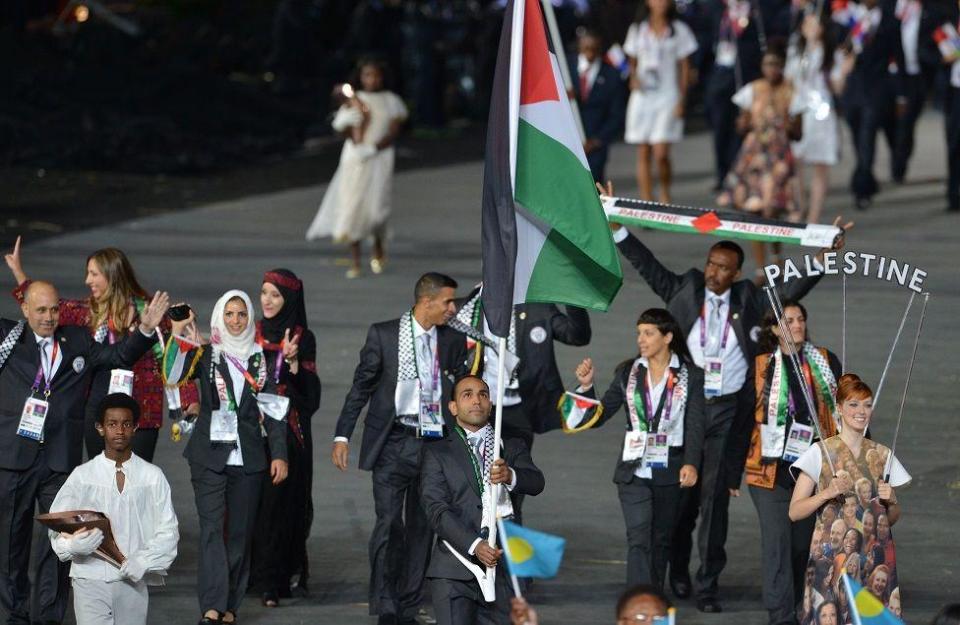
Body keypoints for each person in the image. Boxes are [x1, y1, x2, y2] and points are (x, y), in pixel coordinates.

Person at [608, 210, 844, 612]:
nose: (713, 271)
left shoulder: (750, 299)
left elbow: (791, 291)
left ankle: (707, 585)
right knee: (681, 501)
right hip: (683, 411)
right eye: (710, 264)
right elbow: (647, 266)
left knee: (716, 505)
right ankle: (678, 572)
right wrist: (616, 223)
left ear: (736, 273)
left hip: (728, 415)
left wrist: (824, 255)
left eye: (722, 268)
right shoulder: (684, 289)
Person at [0, 280, 168, 625]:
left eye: (54, 309)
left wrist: (146, 329)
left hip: (59, 460)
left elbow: (117, 356)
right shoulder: (8, 340)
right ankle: (15, 615)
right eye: (41, 310)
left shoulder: (75, 340)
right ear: (25, 310)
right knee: (9, 546)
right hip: (14, 457)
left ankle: (48, 618)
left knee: (59, 545)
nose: (49, 317)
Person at [331, 272, 467, 625]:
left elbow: (460, 388)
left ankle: (408, 604)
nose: (453, 308)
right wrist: (342, 435)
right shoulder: (384, 335)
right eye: (448, 301)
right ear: (426, 302)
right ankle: (386, 604)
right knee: (389, 524)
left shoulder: (451, 341)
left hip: (433, 444)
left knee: (424, 526)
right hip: (393, 441)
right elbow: (361, 387)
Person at [5, 238, 199, 462]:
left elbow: (172, 358)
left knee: (138, 481)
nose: (87, 280)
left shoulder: (150, 313)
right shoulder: (85, 313)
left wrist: (190, 401)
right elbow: (42, 305)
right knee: (103, 479)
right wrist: (19, 273)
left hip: (142, 413)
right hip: (98, 413)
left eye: (94, 274)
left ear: (112, 275)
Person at [163, 290, 289, 625]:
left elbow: (274, 411)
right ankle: (213, 606)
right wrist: (179, 334)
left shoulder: (261, 360)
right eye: (230, 314)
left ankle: (231, 603)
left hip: (248, 458)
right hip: (208, 456)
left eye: (242, 314)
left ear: (250, 319)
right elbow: (173, 374)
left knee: (240, 534)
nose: (235, 320)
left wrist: (279, 454)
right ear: (220, 315)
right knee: (211, 530)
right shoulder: (206, 354)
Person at [568, 308, 705, 590]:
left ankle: (651, 599)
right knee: (639, 535)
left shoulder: (691, 375)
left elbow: (695, 423)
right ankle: (638, 601)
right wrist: (586, 387)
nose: (641, 339)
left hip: (671, 468)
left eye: (648, 333)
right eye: (639, 333)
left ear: (667, 337)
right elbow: (600, 416)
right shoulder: (627, 371)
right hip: (633, 470)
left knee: (661, 539)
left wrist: (691, 462)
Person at [450, 282, 590, 522]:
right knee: (470, 483)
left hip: (519, 412)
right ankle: (472, 545)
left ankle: (508, 550)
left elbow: (577, 336)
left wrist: (571, 293)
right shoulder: (468, 309)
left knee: (513, 484)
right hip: (477, 411)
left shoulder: (538, 307)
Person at [744, 300, 841, 625]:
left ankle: (803, 607)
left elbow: (849, 410)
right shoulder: (760, 367)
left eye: (801, 319)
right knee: (777, 543)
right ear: (774, 329)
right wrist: (729, 475)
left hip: (813, 469)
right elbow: (741, 420)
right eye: (789, 320)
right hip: (769, 470)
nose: (797, 325)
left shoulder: (825, 361)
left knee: (803, 546)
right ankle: (779, 614)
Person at [420, 374, 545, 624]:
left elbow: (536, 482)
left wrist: (511, 475)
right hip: (454, 571)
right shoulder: (437, 453)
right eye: (467, 395)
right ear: (453, 407)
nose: (476, 400)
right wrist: (475, 544)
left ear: (490, 404)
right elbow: (437, 510)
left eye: (483, 394)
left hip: (505, 569)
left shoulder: (510, 446)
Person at [48, 393, 179, 625]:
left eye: (126, 424)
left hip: (132, 580)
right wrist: (71, 545)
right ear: (100, 428)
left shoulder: (152, 477)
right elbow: (57, 524)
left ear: (136, 427)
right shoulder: (82, 476)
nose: (119, 431)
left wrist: (144, 561)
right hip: (89, 578)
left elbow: (169, 530)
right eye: (112, 424)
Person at [790, 374, 910, 625]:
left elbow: (891, 519)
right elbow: (795, 511)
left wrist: (892, 502)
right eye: (854, 404)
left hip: (872, 563)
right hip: (831, 561)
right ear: (840, 409)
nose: (861, 411)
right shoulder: (819, 452)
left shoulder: (882, 454)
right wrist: (826, 493)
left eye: (867, 405)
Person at [249, 269, 321, 606]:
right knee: (253, 507)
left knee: (280, 509)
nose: (267, 300)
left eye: (275, 295)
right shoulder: (250, 330)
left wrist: (291, 363)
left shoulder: (302, 338)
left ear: (289, 299)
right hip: (251, 430)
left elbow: (311, 399)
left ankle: (274, 580)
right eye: (264, 292)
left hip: (289, 433)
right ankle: (252, 574)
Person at [306, 58, 408, 278]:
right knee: (353, 204)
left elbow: (393, 131)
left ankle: (378, 245)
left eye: (376, 75)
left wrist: (374, 147)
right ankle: (355, 261)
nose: (372, 80)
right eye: (367, 75)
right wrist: (340, 124)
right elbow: (348, 133)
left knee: (377, 207)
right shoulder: (354, 100)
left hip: (379, 158)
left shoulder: (391, 101)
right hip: (355, 159)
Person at [718, 39, 802, 274]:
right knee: (753, 210)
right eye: (767, 64)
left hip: (778, 158)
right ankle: (760, 267)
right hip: (754, 156)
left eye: (776, 64)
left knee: (771, 210)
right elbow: (741, 127)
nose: (771, 69)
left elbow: (798, 133)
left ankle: (775, 256)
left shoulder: (792, 92)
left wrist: (789, 125)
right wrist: (742, 123)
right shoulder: (752, 90)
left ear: (783, 65)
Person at [622, 0, 698, 203]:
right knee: (644, 150)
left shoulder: (679, 30)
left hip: (668, 96)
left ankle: (665, 190)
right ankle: (647, 200)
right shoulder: (638, 29)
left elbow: (684, 68)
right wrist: (632, 76)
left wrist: (683, 99)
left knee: (661, 152)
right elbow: (631, 60)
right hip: (643, 96)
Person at [836, 0, 905, 210]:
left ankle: (862, 189)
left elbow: (898, 56)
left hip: (877, 88)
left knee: (867, 138)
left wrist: (900, 94)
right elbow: (840, 48)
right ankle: (867, 178)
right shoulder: (848, 19)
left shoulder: (889, 21)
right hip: (852, 89)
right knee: (858, 139)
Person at [786, 8, 840, 225]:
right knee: (795, 163)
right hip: (799, 111)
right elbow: (792, 78)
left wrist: (844, 70)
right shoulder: (796, 51)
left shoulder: (830, 53)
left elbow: (837, 86)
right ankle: (799, 206)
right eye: (807, 24)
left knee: (820, 165)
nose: (812, 28)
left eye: (816, 24)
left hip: (822, 114)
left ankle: (814, 217)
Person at [704, 0, 765, 190]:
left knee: (743, 127)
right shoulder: (718, 8)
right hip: (721, 72)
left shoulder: (755, 9)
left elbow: (761, 41)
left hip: (745, 74)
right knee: (720, 127)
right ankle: (723, 175)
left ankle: (741, 175)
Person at [571, 28, 626, 183]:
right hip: (567, 143)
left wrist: (596, 140)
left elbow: (617, 114)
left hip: (595, 147)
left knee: (594, 188)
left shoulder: (612, 75)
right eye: (586, 48)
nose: (590, 52)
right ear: (579, 47)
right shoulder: (564, 69)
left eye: (594, 48)